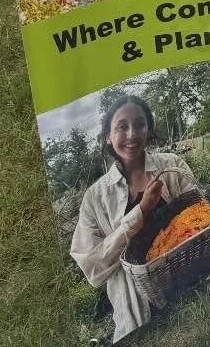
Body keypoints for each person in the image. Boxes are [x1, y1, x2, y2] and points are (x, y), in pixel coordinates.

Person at [70, 96, 198, 342]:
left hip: (186, 291)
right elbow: (93, 268)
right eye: (122, 126)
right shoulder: (95, 198)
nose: (132, 134)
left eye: (140, 124)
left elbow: (200, 222)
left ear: (148, 129)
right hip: (134, 313)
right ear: (108, 136)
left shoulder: (172, 166)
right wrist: (140, 212)